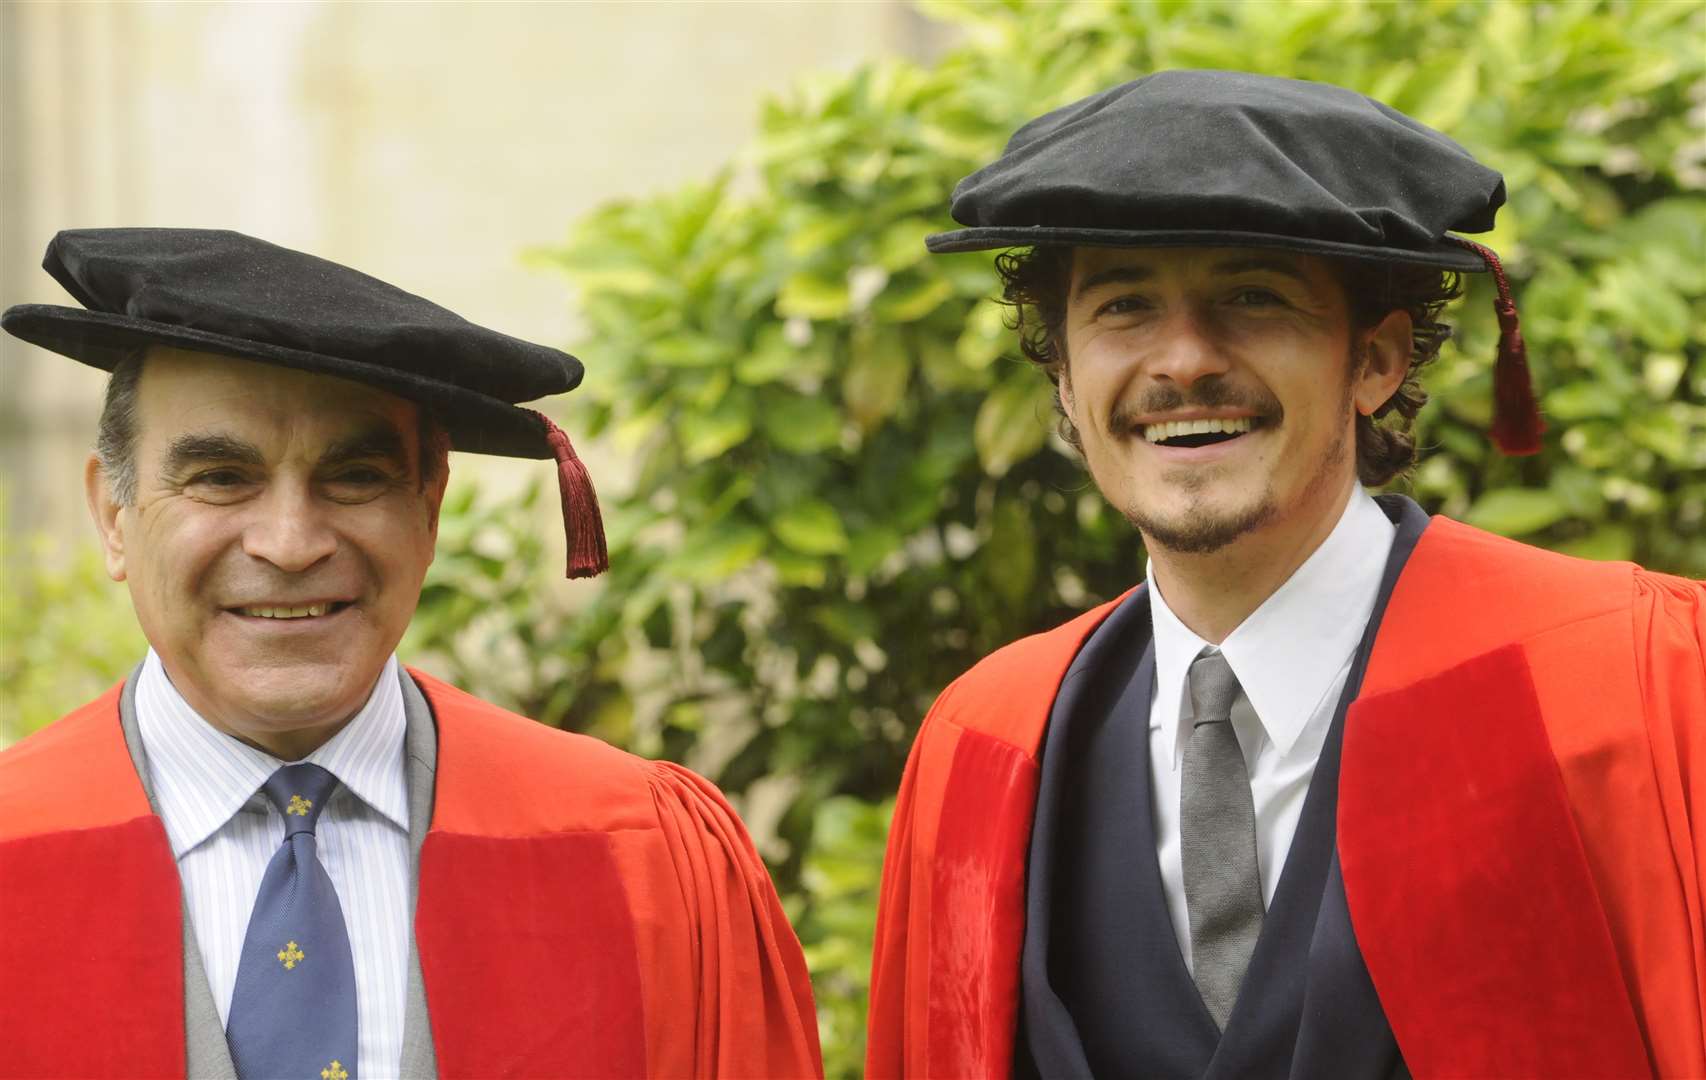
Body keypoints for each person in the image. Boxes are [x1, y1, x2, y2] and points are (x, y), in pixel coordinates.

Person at [866, 70, 1706, 1079]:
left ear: (1375, 361)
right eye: (1122, 307)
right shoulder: (984, 745)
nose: (1181, 361)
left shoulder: (1632, 688)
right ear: (1062, 376)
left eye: (1251, 298)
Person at [0, 228, 822, 1080]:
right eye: (220, 477)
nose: (290, 543)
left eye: (355, 477)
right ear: (112, 516)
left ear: (428, 513)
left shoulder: (640, 857)